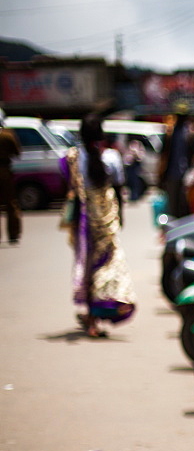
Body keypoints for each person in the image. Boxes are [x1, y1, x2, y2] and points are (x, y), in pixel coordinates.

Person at [61, 114, 137, 337]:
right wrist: (120, 217)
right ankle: (103, 311)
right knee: (108, 267)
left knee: (87, 268)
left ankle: (92, 318)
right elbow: (119, 189)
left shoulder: (73, 158)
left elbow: (71, 191)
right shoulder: (112, 157)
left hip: (85, 222)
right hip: (107, 221)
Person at [157, 103, 194, 218]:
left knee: (185, 203)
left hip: (187, 174)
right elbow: (163, 154)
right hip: (172, 173)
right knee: (173, 203)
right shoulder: (170, 132)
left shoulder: (190, 132)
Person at [0, 110, 23, 245]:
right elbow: (17, 152)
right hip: (5, 171)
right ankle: (13, 234)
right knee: (11, 203)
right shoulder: (8, 135)